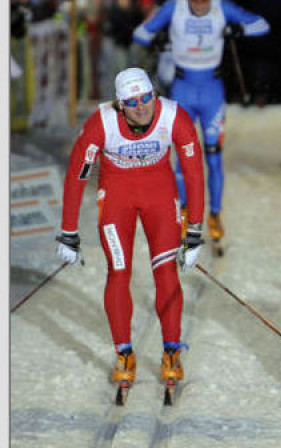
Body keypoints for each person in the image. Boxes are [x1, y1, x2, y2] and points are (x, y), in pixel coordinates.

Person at [55, 68, 206, 391]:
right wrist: (68, 231)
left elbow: (193, 174)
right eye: (132, 102)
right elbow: (77, 174)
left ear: (155, 94)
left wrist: (194, 229)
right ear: (119, 105)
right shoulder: (101, 123)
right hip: (117, 196)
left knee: (166, 271)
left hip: (159, 193)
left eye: (146, 97)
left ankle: (171, 352)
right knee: (119, 269)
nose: (142, 107)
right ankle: (124, 353)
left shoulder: (174, 117)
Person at [132, 0, 270, 254]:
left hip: (212, 93)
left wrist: (239, 30)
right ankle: (184, 217)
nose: (198, 6)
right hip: (183, 90)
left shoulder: (222, 7)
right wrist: (157, 36)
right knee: (183, 159)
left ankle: (215, 217)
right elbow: (140, 34)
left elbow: (262, 25)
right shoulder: (174, 7)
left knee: (214, 159)